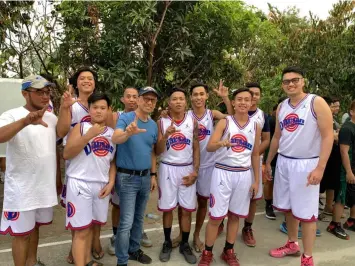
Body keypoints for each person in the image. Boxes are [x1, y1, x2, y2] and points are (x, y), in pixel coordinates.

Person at [265, 66, 333, 266]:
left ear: (303, 81)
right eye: (286, 81)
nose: (291, 84)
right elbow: (277, 136)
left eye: (295, 80)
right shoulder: (282, 107)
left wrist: (320, 167)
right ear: (282, 85)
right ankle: (292, 244)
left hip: (307, 164)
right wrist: (268, 161)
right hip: (285, 162)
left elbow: (328, 135)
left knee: (307, 213)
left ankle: (308, 256)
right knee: (288, 208)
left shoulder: (316, 102)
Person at [0, 75, 61, 266]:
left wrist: (58, 179)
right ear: (25, 94)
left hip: (43, 187)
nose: (45, 96)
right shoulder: (11, 115)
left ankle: (32, 262)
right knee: (21, 235)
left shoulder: (51, 118)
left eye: (47, 92)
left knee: (35, 228)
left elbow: (58, 143)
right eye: (39, 92)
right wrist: (24, 122)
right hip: (21, 189)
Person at [198, 88, 260, 266]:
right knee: (216, 217)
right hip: (222, 172)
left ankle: (228, 250)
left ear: (251, 103)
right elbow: (209, 147)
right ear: (233, 102)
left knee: (235, 216)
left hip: (243, 174)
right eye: (239, 99)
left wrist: (256, 180)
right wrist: (221, 143)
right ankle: (207, 252)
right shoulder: (225, 122)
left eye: (246, 99)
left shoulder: (255, 125)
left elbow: (255, 155)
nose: (242, 102)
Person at [170, 81, 232, 253]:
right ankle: (182, 235)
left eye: (201, 94)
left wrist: (226, 99)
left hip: (209, 166)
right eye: (195, 94)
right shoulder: (186, 115)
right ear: (190, 98)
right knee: (183, 204)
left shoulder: (212, 114)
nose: (198, 97)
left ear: (206, 96)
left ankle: (196, 235)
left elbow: (232, 119)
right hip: (189, 165)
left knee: (202, 203)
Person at [57, 67, 107, 263]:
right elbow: (61, 132)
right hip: (77, 168)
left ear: (95, 83)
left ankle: (91, 246)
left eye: (90, 78)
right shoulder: (72, 105)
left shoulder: (99, 106)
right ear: (76, 83)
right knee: (79, 217)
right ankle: (78, 253)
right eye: (82, 78)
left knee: (94, 214)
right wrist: (64, 107)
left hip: (97, 166)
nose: (87, 80)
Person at [64, 93, 116, 266]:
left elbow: (113, 161)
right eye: (95, 107)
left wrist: (111, 182)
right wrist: (89, 135)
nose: (99, 111)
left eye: (103, 108)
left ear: (109, 110)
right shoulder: (81, 127)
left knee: (91, 227)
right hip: (79, 183)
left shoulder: (112, 133)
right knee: (81, 230)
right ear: (90, 109)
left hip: (101, 185)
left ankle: (86, 260)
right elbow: (67, 153)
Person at [112, 86, 159, 266]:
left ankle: (133, 250)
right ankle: (122, 260)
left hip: (145, 177)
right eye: (145, 98)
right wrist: (127, 133)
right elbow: (116, 138)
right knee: (126, 221)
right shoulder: (125, 118)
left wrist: (153, 175)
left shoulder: (153, 125)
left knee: (139, 218)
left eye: (152, 100)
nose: (149, 102)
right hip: (127, 178)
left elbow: (152, 152)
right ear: (138, 100)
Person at [156, 87, 200, 264]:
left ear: (186, 102)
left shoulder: (192, 121)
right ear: (169, 102)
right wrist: (165, 136)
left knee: (187, 210)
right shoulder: (162, 122)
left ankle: (184, 244)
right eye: (174, 99)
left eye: (181, 98)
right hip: (167, 168)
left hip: (186, 168)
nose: (178, 102)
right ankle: (167, 242)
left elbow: (196, 147)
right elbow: (158, 151)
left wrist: (195, 171)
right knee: (167, 208)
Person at [239, 82, 270, 247]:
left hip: (254, 160)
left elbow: (266, 139)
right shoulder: (236, 110)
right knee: (232, 192)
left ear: (259, 97)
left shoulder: (263, 116)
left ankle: (247, 228)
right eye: (250, 93)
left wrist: (254, 152)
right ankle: (222, 220)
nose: (253, 96)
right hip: (236, 160)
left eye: (256, 94)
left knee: (253, 196)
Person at [327, 100, 355, 239]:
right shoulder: (347, 128)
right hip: (346, 169)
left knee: (352, 196)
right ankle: (334, 224)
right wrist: (349, 171)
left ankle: (351, 221)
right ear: (351, 111)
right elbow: (344, 152)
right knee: (341, 197)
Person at [318, 97, 341, 221]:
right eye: (334, 106)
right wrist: (336, 135)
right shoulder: (319, 117)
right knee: (319, 184)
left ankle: (328, 206)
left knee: (331, 183)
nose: (336, 108)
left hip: (333, 155)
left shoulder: (334, 119)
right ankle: (313, 211)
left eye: (337, 106)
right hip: (321, 154)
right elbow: (329, 136)